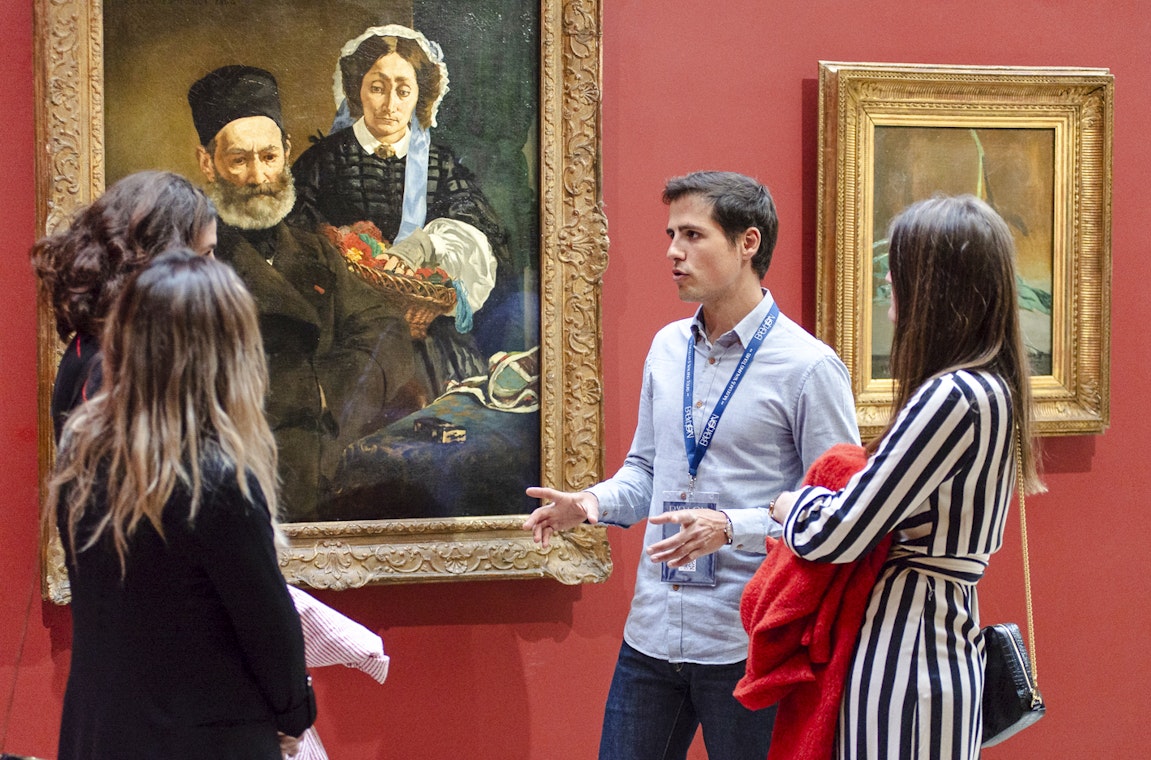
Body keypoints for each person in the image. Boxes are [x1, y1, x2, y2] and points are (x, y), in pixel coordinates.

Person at [523, 171, 859, 760]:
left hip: (748, 641)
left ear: (747, 243)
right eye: (670, 234)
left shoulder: (809, 367)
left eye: (693, 235)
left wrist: (733, 527)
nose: (673, 251)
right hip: (654, 633)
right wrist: (590, 505)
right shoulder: (667, 347)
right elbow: (646, 472)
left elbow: (838, 516)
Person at [770, 194, 1045, 760]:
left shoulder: (952, 394)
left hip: (906, 649)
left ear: (934, 288)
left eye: (899, 276)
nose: (889, 291)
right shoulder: (995, 389)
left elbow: (837, 533)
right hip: (947, 635)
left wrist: (791, 506)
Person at [48, 251, 315, 759]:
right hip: (202, 739)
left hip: (98, 730)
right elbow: (268, 628)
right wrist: (292, 712)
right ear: (228, 354)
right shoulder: (213, 480)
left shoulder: (82, 452)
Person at [188, 64, 419, 520]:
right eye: (239, 160)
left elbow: (387, 332)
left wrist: (326, 393)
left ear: (287, 152)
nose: (258, 176)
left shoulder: (316, 249)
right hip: (248, 492)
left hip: (339, 473)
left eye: (270, 157)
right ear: (206, 164)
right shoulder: (190, 260)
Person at [290, 24, 511, 400]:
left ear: (419, 96)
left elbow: (481, 230)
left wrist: (423, 247)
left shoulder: (440, 164)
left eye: (403, 91)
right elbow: (296, 235)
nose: (390, 104)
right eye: (377, 87)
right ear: (357, 89)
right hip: (344, 326)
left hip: (429, 335)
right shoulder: (322, 160)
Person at [29, 170, 217, 442]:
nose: (213, 266)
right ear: (157, 258)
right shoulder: (108, 366)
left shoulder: (122, 348)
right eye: (205, 254)